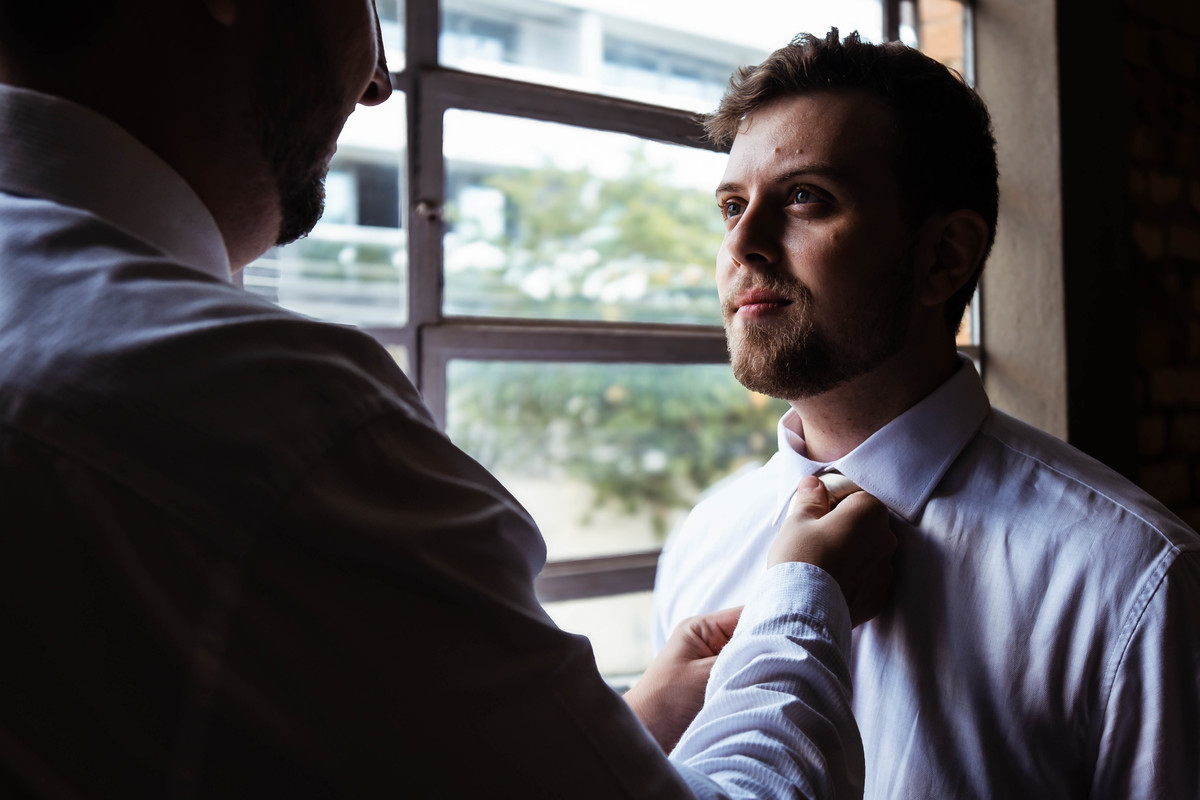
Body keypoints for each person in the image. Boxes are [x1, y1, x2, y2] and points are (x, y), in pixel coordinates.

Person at [0, 3, 899, 798]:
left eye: (809, 198)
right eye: (371, 9)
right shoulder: (277, 425)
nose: (379, 85)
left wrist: (615, 732)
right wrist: (802, 603)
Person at [652, 29, 1200, 799]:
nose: (742, 244)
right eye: (732, 206)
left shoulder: (1130, 576)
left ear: (943, 256)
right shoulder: (702, 545)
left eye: (806, 197)